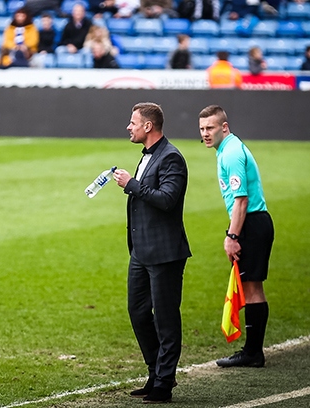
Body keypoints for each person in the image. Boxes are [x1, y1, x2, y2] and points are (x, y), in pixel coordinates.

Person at [113, 102, 191, 404]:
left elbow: (168, 199)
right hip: (141, 252)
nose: (128, 127)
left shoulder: (172, 158)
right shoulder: (146, 157)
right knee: (138, 312)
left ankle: (164, 383)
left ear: (148, 126)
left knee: (166, 319)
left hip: (165, 253)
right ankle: (154, 371)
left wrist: (132, 185)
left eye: (133, 122)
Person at [198, 105, 274, 368]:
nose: (205, 134)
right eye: (202, 129)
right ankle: (253, 351)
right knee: (253, 286)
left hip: (251, 224)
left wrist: (232, 236)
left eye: (210, 128)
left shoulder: (230, 153)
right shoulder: (228, 149)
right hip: (254, 223)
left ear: (224, 127)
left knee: (252, 288)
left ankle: (253, 353)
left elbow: (241, 201)